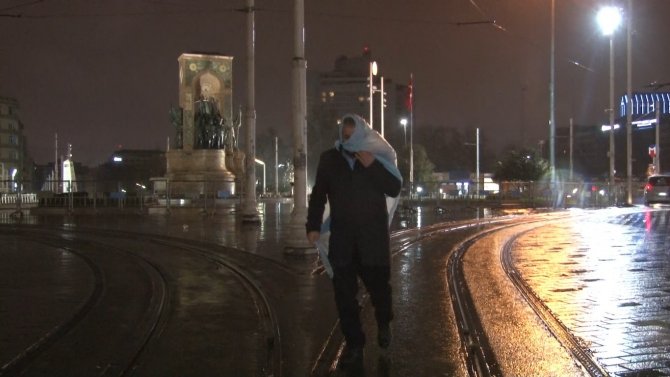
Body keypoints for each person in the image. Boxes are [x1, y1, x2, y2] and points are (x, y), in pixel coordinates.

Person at [306, 114, 402, 367]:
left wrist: (372, 165)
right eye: (344, 135)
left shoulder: (376, 156)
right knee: (344, 297)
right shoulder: (330, 159)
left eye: (353, 135)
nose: (348, 139)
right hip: (343, 240)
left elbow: (394, 187)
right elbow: (318, 194)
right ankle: (355, 345)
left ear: (363, 134)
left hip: (373, 240)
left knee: (380, 291)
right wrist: (313, 226)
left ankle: (383, 322)